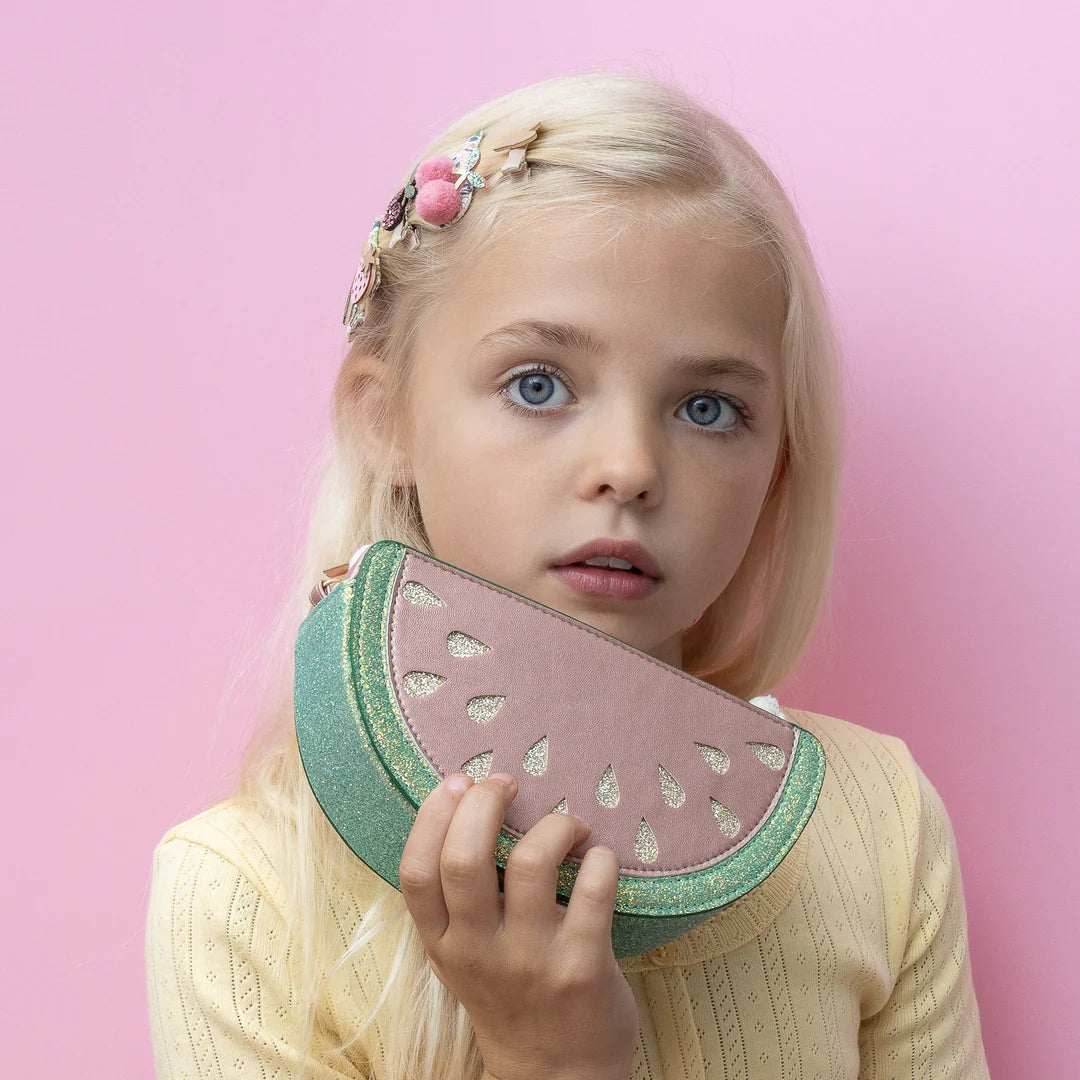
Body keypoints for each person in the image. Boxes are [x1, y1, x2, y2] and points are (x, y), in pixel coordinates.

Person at [144, 68, 991, 1079]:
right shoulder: (245, 896)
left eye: (709, 407)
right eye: (538, 384)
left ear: (778, 467)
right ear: (387, 418)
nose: (629, 469)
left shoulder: (878, 824)